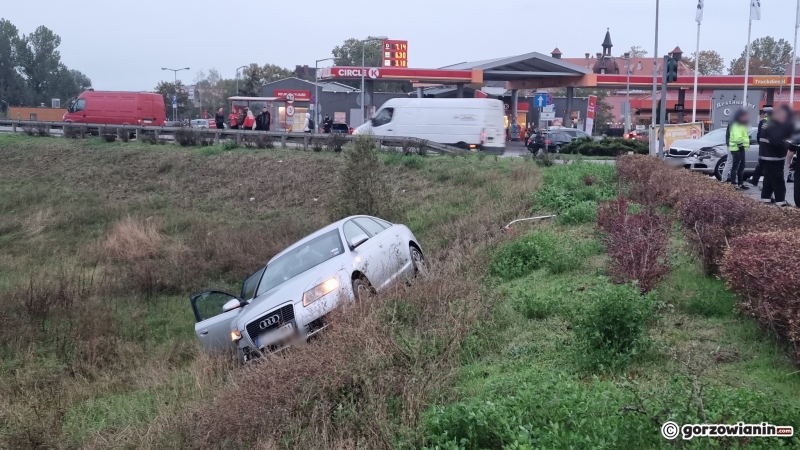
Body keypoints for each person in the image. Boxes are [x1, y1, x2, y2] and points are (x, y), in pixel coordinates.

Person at [760, 105, 795, 206]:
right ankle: (781, 203)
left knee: (768, 181)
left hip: (767, 156)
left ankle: (765, 201)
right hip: (774, 158)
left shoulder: (767, 124)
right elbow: (777, 143)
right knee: (778, 182)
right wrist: (788, 144)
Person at [748, 107, 773, 187]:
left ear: (766, 114)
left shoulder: (762, 122)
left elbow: (759, 135)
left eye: (764, 113)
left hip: (763, 147)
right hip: (771, 147)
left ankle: (756, 181)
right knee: (764, 164)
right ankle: (756, 180)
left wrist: (760, 144)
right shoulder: (774, 122)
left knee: (762, 164)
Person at [726, 109, 750, 189]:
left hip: (740, 148)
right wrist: (741, 147)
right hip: (737, 149)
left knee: (741, 167)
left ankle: (740, 183)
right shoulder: (736, 125)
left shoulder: (741, 125)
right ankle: (734, 183)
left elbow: (744, 136)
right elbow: (737, 137)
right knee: (735, 166)